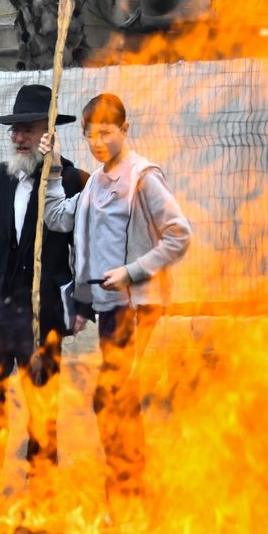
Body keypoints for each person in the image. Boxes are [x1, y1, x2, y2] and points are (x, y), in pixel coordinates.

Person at [39, 93, 191, 505]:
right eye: (91, 134)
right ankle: (126, 491)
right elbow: (56, 218)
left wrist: (133, 270)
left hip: (136, 306)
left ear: (125, 130)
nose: (98, 141)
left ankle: (126, 493)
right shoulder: (97, 182)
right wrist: (53, 168)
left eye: (106, 132)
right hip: (110, 309)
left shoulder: (143, 177)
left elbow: (180, 235)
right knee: (113, 399)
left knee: (113, 397)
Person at [0, 84, 89, 464]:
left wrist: (81, 306)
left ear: (49, 133)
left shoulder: (73, 181)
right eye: (15, 129)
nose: (19, 137)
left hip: (42, 313)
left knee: (42, 400)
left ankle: (42, 479)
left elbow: (85, 249)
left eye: (28, 129)